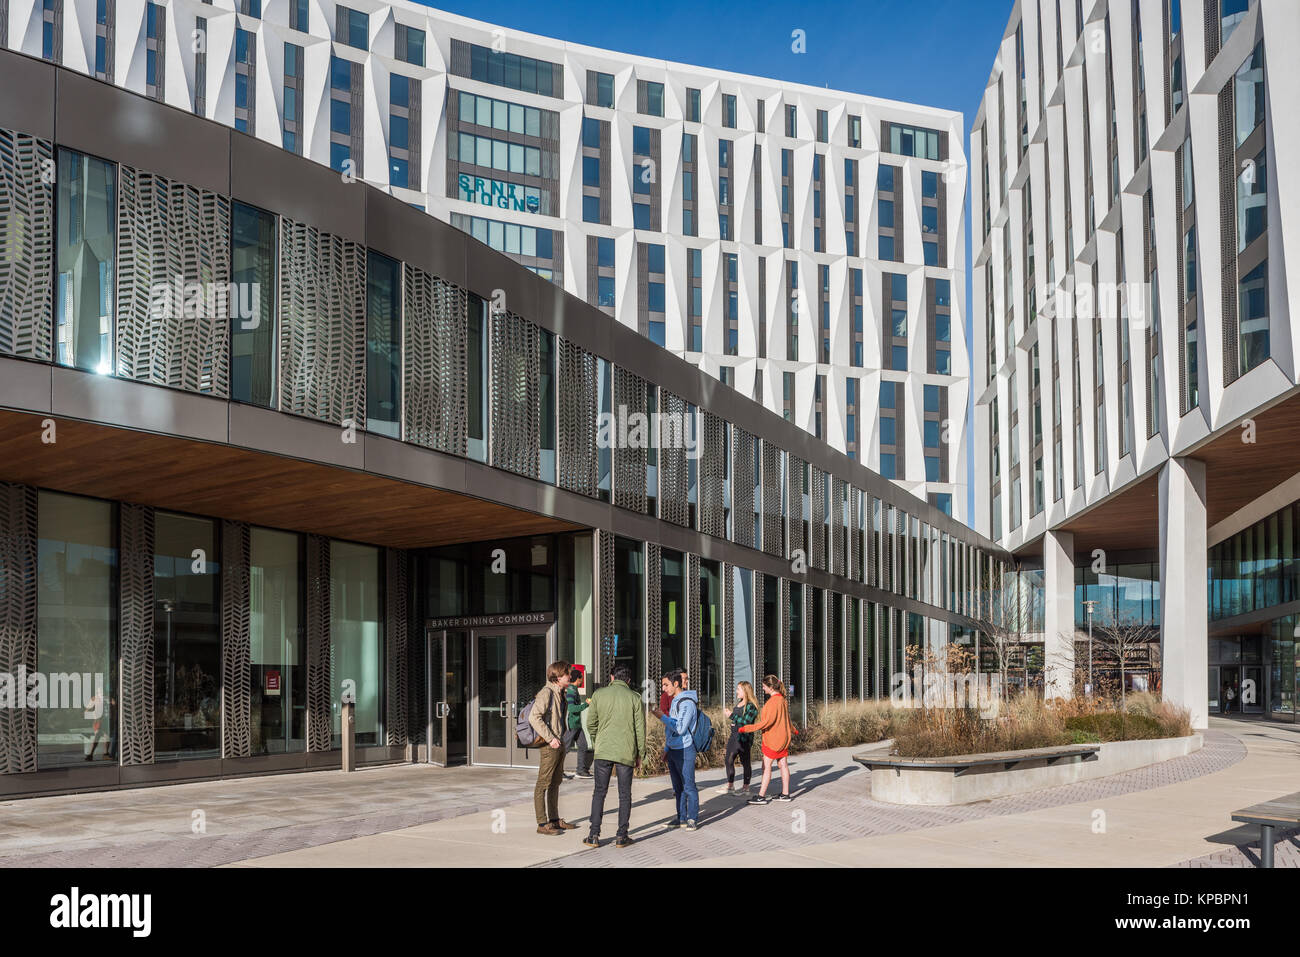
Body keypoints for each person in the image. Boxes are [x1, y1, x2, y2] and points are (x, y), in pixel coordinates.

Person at [582, 662, 646, 849]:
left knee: (599, 792)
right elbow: (640, 730)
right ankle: (621, 836)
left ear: (612, 678)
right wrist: (641, 754)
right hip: (626, 751)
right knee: (624, 795)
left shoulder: (599, 695)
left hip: (603, 751)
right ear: (628, 679)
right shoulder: (634, 698)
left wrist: (597, 740)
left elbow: (591, 723)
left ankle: (593, 835)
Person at [529, 660, 577, 835]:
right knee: (543, 783)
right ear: (557, 677)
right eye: (567, 674)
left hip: (559, 742)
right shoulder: (546, 692)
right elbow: (534, 717)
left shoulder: (560, 692)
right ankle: (542, 824)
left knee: (555, 783)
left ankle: (554, 820)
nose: (570, 677)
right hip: (550, 745)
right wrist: (550, 739)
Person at [650, 669, 700, 830]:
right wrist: (667, 748)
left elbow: (679, 727)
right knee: (678, 787)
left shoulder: (686, 703)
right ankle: (681, 817)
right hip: (673, 749)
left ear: (676, 684)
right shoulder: (676, 700)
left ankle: (692, 818)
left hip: (685, 749)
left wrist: (661, 717)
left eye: (666, 685)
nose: (663, 689)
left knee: (688, 786)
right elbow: (670, 730)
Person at [741, 674, 796, 805]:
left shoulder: (772, 702)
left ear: (771, 687)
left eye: (764, 687)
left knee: (766, 767)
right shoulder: (783, 700)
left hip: (773, 740)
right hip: (784, 738)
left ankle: (761, 796)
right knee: (783, 765)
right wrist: (794, 730)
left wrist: (745, 728)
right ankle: (785, 793)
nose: (763, 689)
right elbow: (787, 719)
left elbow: (766, 723)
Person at [715, 681, 759, 795]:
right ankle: (730, 785)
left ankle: (746, 787)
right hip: (734, 736)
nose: (736, 692)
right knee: (729, 759)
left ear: (745, 691)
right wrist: (733, 723)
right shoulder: (739, 703)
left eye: (738, 689)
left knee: (745, 762)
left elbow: (746, 722)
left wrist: (731, 716)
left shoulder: (751, 706)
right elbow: (738, 720)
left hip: (744, 738)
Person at [562, 667, 592, 778]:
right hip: (572, 725)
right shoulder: (570, 691)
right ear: (577, 679)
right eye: (581, 678)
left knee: (583, 745)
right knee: (564, 748)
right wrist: (586, 704)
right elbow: (572, 708)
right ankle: (557, 771)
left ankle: (581, 770)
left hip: (577, 724)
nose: (582, 681)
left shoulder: (574, 690)